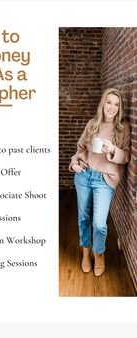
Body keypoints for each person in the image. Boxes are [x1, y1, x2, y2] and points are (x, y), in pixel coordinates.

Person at [68, 88, 130, 277]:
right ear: (103, 103)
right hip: (84, 174)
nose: (112, 107)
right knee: (84, 218)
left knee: (99, 223)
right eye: (109, 102)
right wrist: (74, 164)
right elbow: (79, 149)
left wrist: (113, 149)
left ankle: (99, 254)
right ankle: (86, 254)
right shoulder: (92, 124)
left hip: (104, 179)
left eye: (116, 104)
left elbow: (126, 156)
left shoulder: (123, 128)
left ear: (120, 108)